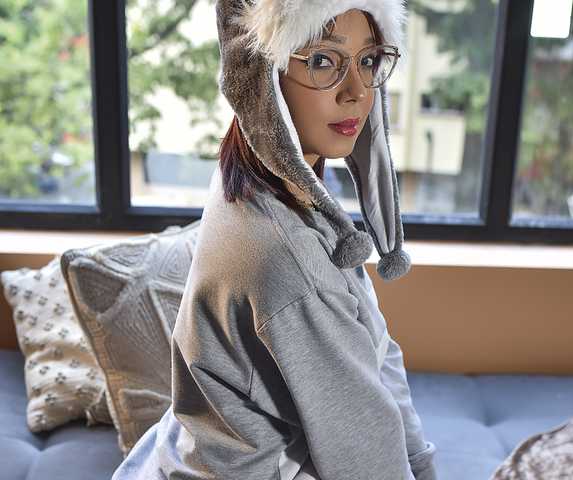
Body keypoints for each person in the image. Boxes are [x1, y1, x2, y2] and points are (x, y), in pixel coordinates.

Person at [111, 1, 438, 479]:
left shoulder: (252, 181)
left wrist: (422, 464)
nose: (357, 91)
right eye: (323, 60)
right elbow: (367, 462)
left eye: (368, 60)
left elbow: (376, 347)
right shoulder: (290, 266)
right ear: (263, 76)